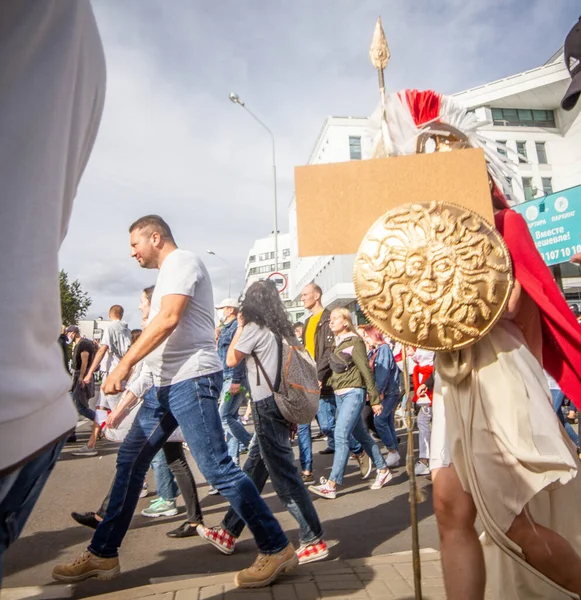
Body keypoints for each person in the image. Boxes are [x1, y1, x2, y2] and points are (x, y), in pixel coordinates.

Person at [370, 87, 581, 599]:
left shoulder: (504, 224)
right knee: (450, 511)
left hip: (498, 380)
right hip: (451, 382)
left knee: (512, 522)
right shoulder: (419, 238)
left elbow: (516, 315)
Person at [53, 215, 296, 588]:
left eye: (135, 244)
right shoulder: (167, 274)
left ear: (155, 236)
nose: (131, 252)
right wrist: (133, 388)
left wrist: (125, 365)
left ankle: (276, 546)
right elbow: (162, 334)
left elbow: (167, 320)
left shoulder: (182, 262)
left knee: (216, 467)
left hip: (192, 379)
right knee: (130, 462)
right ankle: (103, 554)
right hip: (165, 387)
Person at [0, 1, 105, 587]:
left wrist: (96, 371)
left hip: (31, 397)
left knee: (185, 453)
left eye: (136, 245)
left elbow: (156, 326)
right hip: (34, 399)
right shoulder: (78, 30)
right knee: (148, 451)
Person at [197, 280, 328, 564]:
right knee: (254, 470)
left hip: (265, 405)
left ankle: (312, 538)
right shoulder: (281, 330)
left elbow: (231, 358)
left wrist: (241, 325)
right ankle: (229, 531)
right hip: (280, 403)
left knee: (285, 478)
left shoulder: (254, 328)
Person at [309, 308, 392, 499]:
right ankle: (382, 469)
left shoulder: (354, 341)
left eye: (335, 319)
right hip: (340, 394)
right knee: (361, 435)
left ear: (346, 322)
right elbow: (336, 371)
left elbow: (365, 370)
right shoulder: (336, 344)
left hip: (354, 393)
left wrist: (375, 400)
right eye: (330, 320)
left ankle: (332, 484)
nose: (331, 322)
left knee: (340, 435)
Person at [298, 284, 369, 485]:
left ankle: (358, 449)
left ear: (317, 295)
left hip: (326, 381)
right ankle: (307, 469)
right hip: (306, 380)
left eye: (305, 294)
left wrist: (319, 375)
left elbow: (330, 353)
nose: (302, 299)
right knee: (303, 425)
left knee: (329, 426)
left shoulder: (329, 318)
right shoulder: (307, 321)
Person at [73, 305, 131, 457]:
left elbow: (103, 349)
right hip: (118, 374)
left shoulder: (111, 327)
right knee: (100, 409)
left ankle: (134, 450)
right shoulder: (127, 330)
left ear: (110, 313)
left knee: (121, 415)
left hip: (114, 375)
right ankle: (91, 445)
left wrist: (89, 373)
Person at [216, 298, 253, 466]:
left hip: (233, 377)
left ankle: (252, 444)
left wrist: (236, 380)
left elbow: (238, 355)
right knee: (231, 418)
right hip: (228, 377)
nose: (221, 311)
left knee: (224, 417)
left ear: (230, 309)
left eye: (223, 308)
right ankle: (234, 463)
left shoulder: (235, 329)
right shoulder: (226, 329)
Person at [361, 325, 401, 467]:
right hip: (387, 391)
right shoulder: (375, 351)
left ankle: (392, 451)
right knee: (387, 422)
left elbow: (382, 374)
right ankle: (394, 452)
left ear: (374, 335)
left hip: (388, 392)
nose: (365, 338)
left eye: (367, 335)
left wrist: (376, 394)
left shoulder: (383, 350)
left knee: (380, 420)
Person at [410, 350, 434, 477]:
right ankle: (426, 459)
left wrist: (426, 384)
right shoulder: (418, 368)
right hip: (426, 394)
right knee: (423, 421)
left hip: (435, 393)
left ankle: (431, 461)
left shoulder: (428, 362)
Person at [66, 326, 96, 423]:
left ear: (73, 333)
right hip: (77, 376)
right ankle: (70, 433)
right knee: (71, 405)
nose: (67, 336)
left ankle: (101, 423)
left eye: (68, 333)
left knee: (80, 407)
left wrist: (81, 377)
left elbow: (84, 361)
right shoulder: (78, 344)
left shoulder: (83, 343)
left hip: (81, 375)